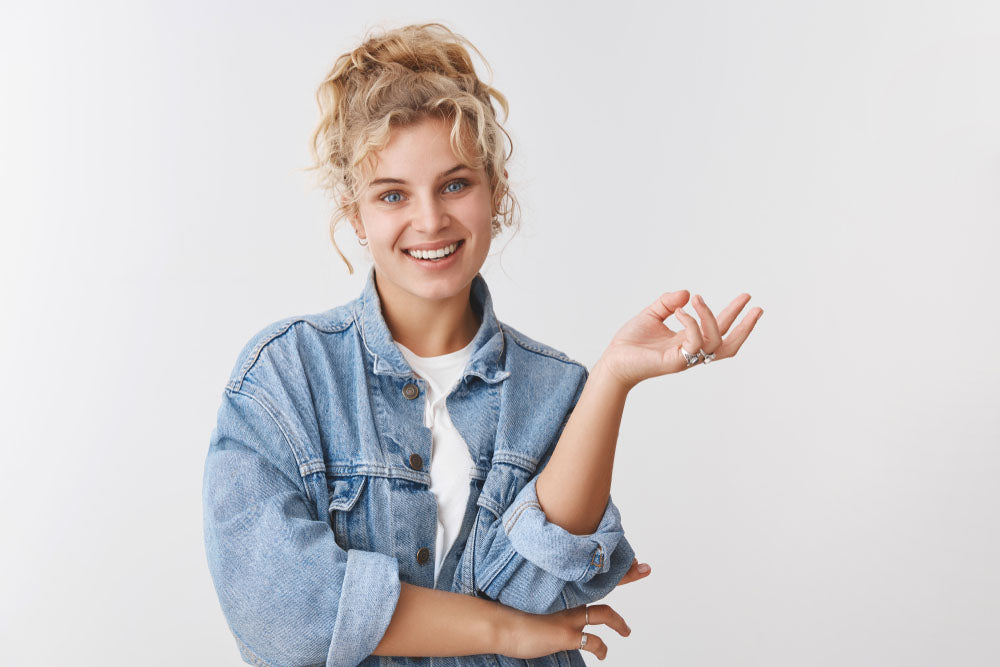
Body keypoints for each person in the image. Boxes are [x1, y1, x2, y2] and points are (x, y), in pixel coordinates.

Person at [202, 22, 762, 667]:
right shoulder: (287, 376)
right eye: (392, 195)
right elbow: (283, 612)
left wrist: (611, 379)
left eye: (455, 184)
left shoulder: (554, 389)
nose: (431, 220)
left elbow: (538, 585)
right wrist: (502, 633)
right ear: (355, 215)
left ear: (496, 192)